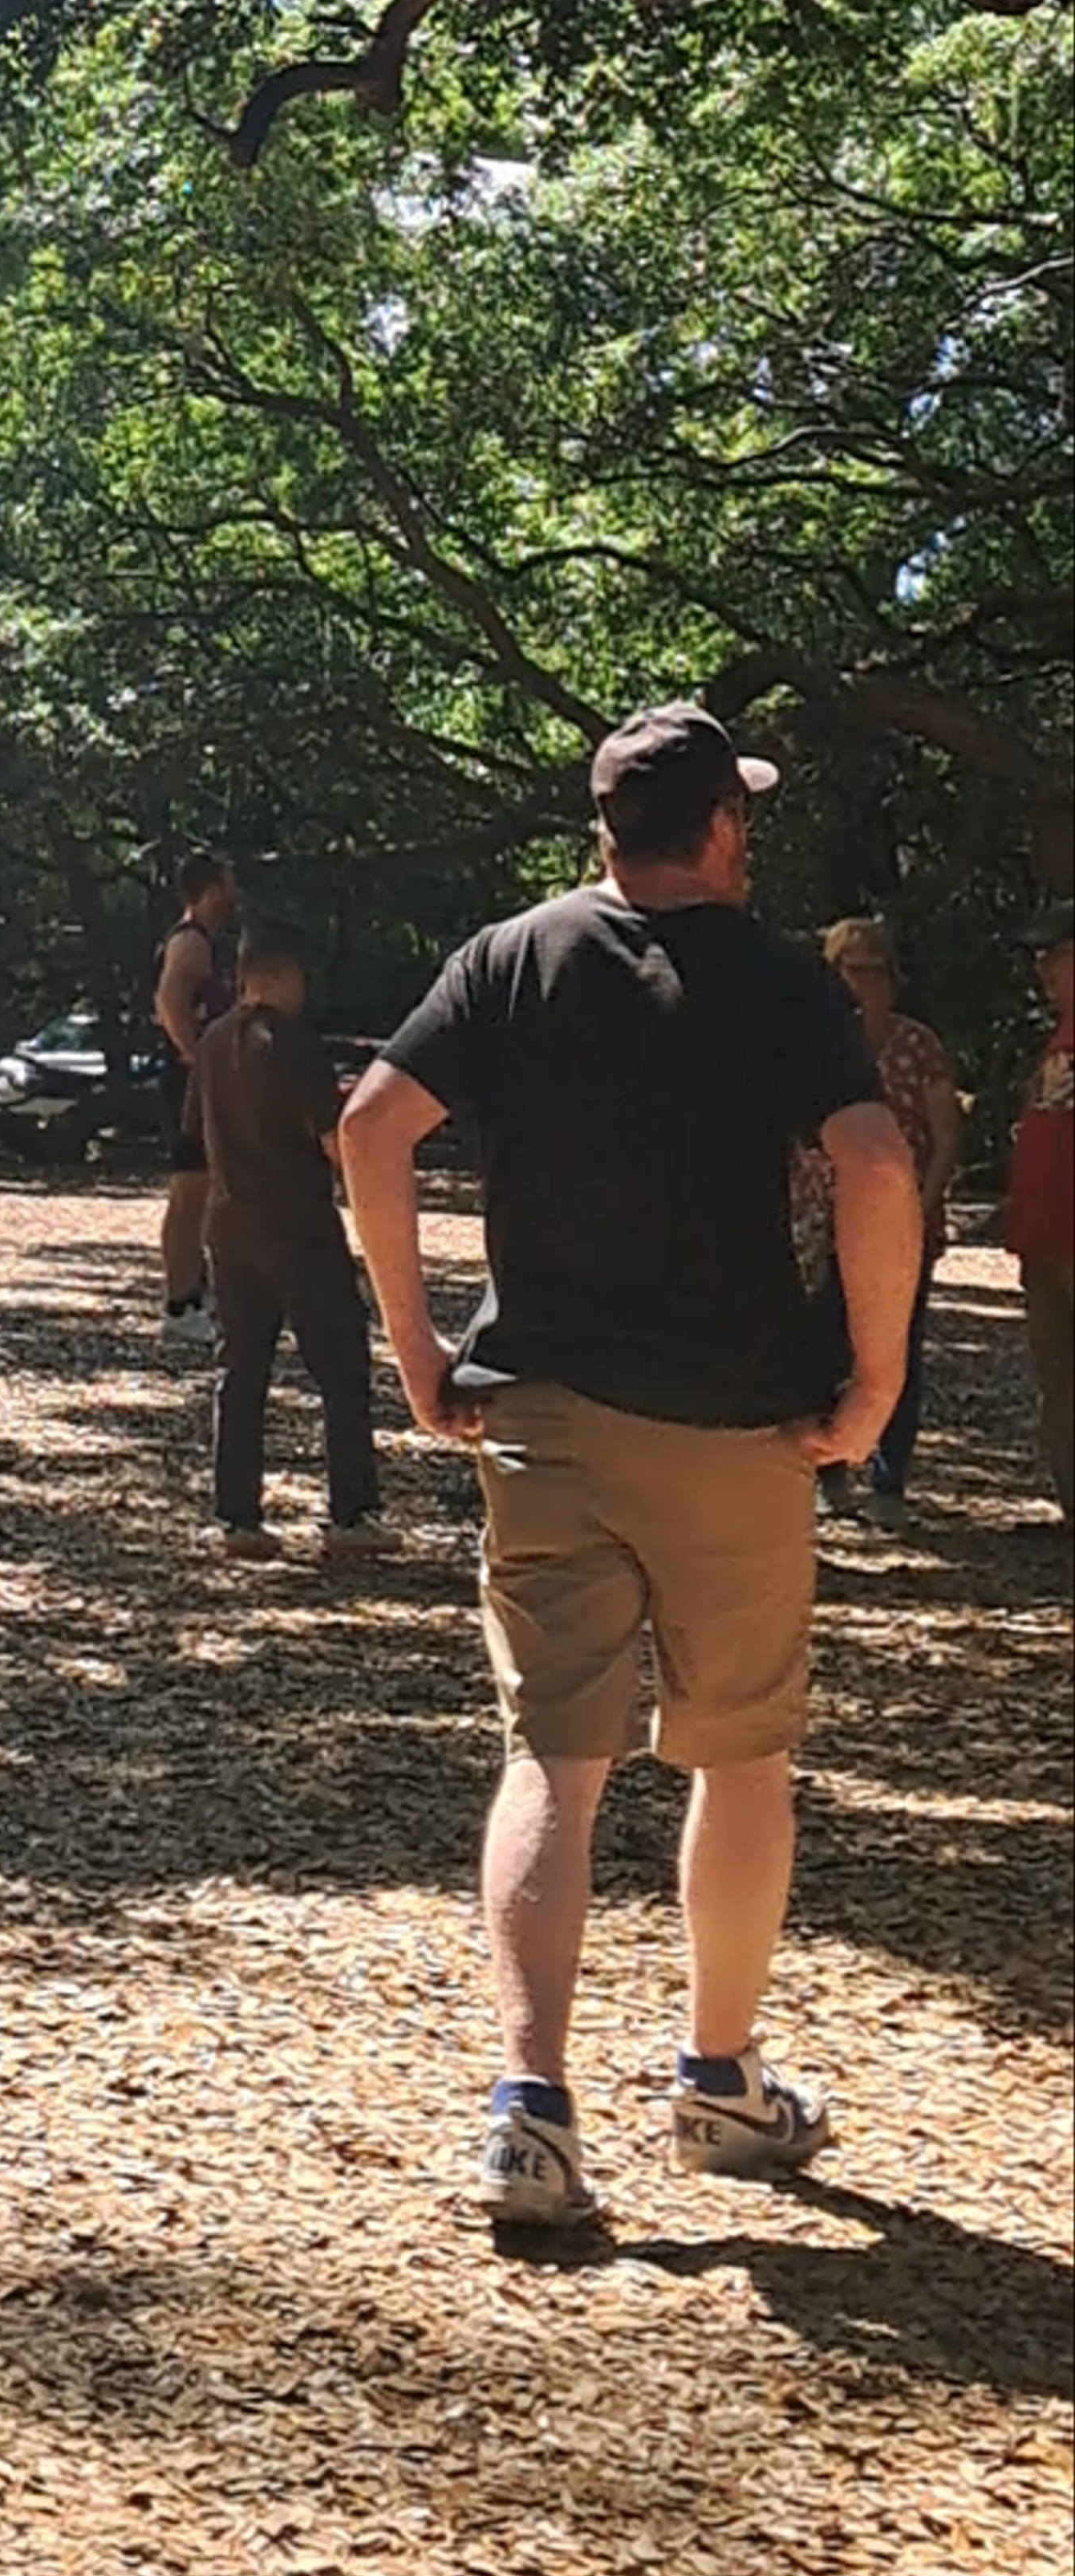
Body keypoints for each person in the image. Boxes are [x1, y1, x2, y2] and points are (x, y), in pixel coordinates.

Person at [336, 701, 921, 2244]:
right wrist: (874, 1381)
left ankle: (531, 2111)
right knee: (741, 1755)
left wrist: (415, 1348)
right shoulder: (784, 983)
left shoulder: (509, 958)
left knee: (553, 1754)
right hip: (737, 1429)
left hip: (543, 1416)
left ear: (606, 832)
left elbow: (369, 1126)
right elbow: (876, 1163)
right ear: (721, 827)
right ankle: (720, 2082)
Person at [193, 920, 382, 1554]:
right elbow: (331, 1139)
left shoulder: (213, 1044)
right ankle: (351, 1513)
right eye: (298, 976)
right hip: (298, 1225)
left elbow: (203, 1133)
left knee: (241, 1371)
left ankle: (236, 1517)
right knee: (341, 1367)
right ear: (273, 975)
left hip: (228, 1226)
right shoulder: (296, 1045)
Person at [817, 917, 963, 1531]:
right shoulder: (817, 1046)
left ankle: (888, 1477)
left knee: (898, 1346)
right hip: (822, 1222)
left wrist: (923, 1206)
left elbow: (947, 1135)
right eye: (851, 969)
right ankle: (827, 1472)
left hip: (902, 1224)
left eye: (875, 970)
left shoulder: (918, 1045)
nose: (863, 983)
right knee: (821, 1343)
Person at [152, 852, 238, 1348]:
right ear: (211, 890)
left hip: (197, 1081)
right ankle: (180, 1305)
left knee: (201, 1193)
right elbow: (168, 1003)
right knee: (188, 1196)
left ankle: (194, 1295)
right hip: (188, 1084)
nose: (234, 892)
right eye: (229, 883)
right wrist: (196, 1058)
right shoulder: (190, 944)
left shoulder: (201, 942)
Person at [1004, 907, 1073, 1517]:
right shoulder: (1059, 1038)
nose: (1042, 968)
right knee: (1058, 1383)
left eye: (1055, 954)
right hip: (1045, 1241)